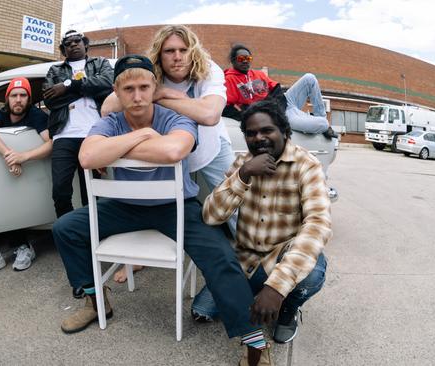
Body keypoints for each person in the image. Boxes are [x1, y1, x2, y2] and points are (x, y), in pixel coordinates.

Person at [54, 55, 274, 366]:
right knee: (65, 229)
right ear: (116, 91)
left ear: (155, 87)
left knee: (221, 255)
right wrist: (144, 135)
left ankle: (253, 342)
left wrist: (116, 147)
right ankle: (95, 300)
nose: (138, 96)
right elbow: (87, 156)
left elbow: (173, 149)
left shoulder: (174, 117)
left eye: (144, 87)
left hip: (177, 207)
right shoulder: (109, 121)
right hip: (125, 206)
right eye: (128, 89)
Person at [101, 24, 237, 283]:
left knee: (236, 203)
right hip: (170, 150)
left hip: (210, 147)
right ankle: (139, 258)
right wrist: (158, 91)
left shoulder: (209, 70)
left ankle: (249, 259)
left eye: (183, 50)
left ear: (192, 51)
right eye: (169, 51)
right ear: (159, 54)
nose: (177, 56)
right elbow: (108, 107)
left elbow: (210, 115)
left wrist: (160, 94)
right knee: (148, 201)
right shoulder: (148, 72)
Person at [191, 99, 332, 344]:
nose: (259, 138)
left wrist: (277, 286)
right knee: (201, 312)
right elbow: (211, 215)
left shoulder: (306, 165)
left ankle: (287, 309)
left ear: (285, 132)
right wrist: (243, 175)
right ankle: (253, 292)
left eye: (267, 130)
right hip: (244, 260)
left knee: (312, 274)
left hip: (280, 257)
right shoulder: (242, 163)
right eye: (251, 133)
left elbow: (317, 224)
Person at [44, 30, 114, 297]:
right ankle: (71, 238)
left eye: (77, 42)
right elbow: (50, 99)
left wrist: (68, 86)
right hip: (64, 135)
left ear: (86, 46)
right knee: (60, 190)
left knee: (92, 192)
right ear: (63, 49)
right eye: (68, 44)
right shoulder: (54, 69)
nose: (73, 45)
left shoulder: (100, 64)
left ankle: (95, 237)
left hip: (94, 133)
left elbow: (107, 84)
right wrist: (79, 88)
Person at [0, 77, 50, 278]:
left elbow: (51, 143)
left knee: (15, 202)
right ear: (7, 99)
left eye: (23, 95)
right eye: (14, 95)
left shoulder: (36, 114)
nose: (18, 100)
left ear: (29, 98)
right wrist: (10, 156)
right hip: (2, 169)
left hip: (31, 173)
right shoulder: (2, 114)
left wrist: (23, 157)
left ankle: (23, 246)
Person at [224, 44, 336, 138]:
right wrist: (249, 117)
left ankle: (321, 116)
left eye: (248, 59)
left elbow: (277, 90)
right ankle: (323, 124)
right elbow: (226, 108)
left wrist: (278, 110)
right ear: (233, 61)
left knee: (309, 78)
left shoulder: (258, 74)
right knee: (322, 124)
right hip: (280, 115)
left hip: (284, 103)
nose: (245, 61)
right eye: (241, 59)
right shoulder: (230, 79)